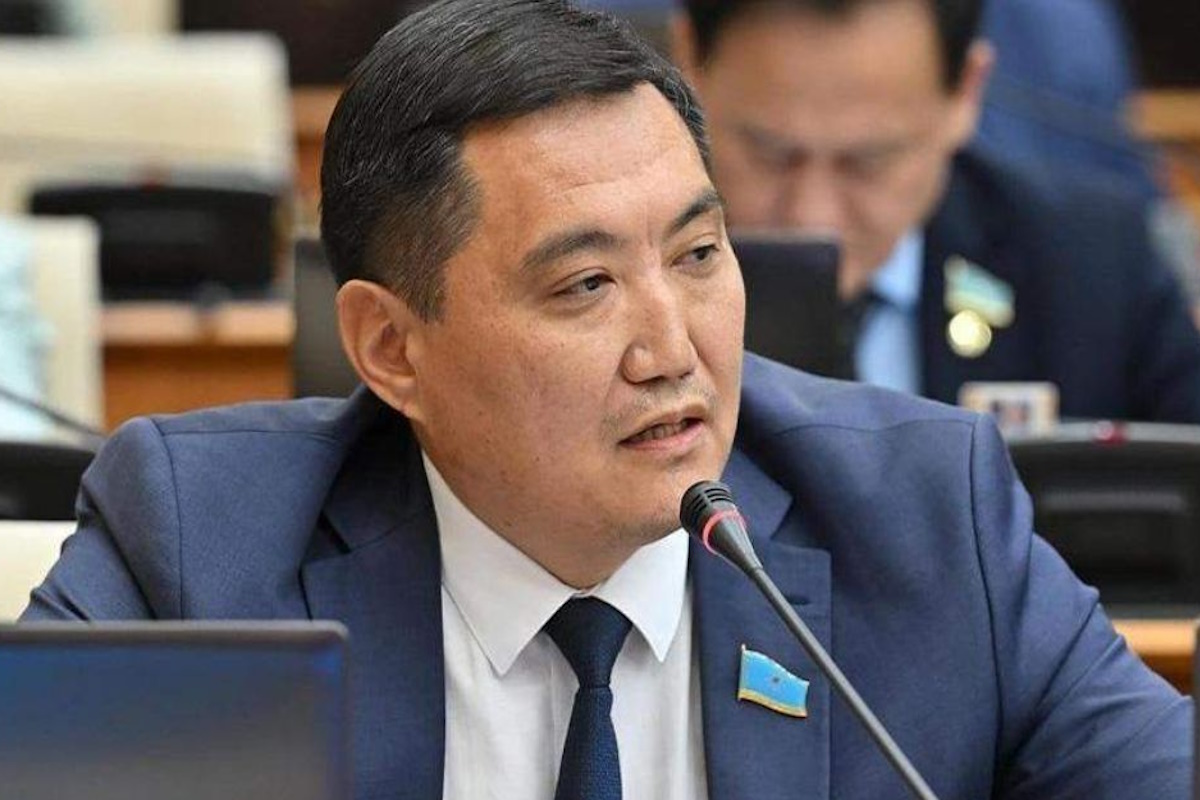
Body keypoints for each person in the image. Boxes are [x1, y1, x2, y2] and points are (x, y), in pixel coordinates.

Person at [23, 1, 1190, 798]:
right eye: (585, 284)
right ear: (390, 346)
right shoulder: (198, 544)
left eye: (699, 254)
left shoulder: (929, 519)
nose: (673, 349)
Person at [671, 0, 1200, 422]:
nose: (813, 216)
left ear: (967, 92)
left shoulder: (1094, 270)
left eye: (868, 163)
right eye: (770, 155)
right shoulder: (629, 277)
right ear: (687, 64)